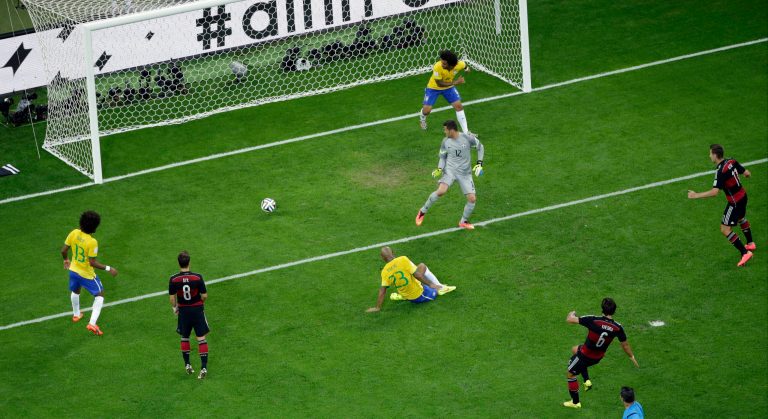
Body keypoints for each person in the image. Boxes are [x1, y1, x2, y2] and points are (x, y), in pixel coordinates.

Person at [563, 298, 639, 409]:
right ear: (614, 311)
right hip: (597, 357)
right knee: (575, 349)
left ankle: (575, 403)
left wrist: (572, 313)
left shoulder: (593, 320)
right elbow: (625, 345)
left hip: (585, 356)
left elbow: (569, 320)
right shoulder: (617, 327)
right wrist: (632, 357)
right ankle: (587, 381)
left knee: (570, 374)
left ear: (602, 309)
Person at [688, 144, 755, 266]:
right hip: (743, 196)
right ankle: (750, 243)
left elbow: (714, 192)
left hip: (734, 202)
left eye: (710, 154)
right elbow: (747, 173)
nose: (709, 156)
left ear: (715, 155)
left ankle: (745, 253)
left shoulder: (720, 171)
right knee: (741, 217)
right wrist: (745, 176)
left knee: (724, 229)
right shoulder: (732, 161)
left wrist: (695, 195)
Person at [416, 120, 484, 230]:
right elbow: (442, 157)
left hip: (465, 173)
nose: (444, 132)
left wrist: (479, 163)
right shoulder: (445, 142)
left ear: (451, 130)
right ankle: (422, 211)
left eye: (445, 130)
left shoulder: (467, 138)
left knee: (472, 199)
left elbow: (480, 147)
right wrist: (439, 168)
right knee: (441, 191)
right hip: (450, 171)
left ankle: (463, 222)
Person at [60, 210, 118, 336]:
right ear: (95, 228)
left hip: (73, 271)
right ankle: (92, 323)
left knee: (76, 291)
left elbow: (64, 250)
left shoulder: (74, 233)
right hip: (86, 275)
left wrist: (66, 260)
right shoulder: (92, 242)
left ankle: (76, 315)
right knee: (100, 295)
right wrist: (109, 268)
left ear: (81, 223)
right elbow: (92, 262)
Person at [366, 246, 455, 313]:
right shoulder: (403, 259)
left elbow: (382, 290)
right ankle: (440, 288)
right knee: (423, 268)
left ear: (382, 258)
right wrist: (432, 285)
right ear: (393, 252)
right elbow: (418, 276)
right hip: (418, 295)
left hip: (405, 292)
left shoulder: (384, 271)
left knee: (420, 266)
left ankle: (403, 295)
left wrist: (377, 307)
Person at [169, 251, 210, 379]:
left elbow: (172, 297)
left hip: (184, 311)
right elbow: (204, 296)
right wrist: (199, 303)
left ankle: (187, 365)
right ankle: (203, 367)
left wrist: (175, 307)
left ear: (178, 263)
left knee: (184, 337)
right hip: (197, 310)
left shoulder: (174, 279)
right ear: (189, 262)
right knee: (201, 338)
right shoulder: (197, 277)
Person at [419, 50, 471, 133]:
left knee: (459, 106)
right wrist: (456, 82)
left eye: (444, 63)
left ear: (451, 65)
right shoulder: (437, 66)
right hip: (433, 88)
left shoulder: (459, 64)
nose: (442, 64)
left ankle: (466, 132)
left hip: (448, 87)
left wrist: (467, 69)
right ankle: (422, 118)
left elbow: (465, 66)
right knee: (426, 111)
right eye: (441, 62)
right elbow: (439, 84)